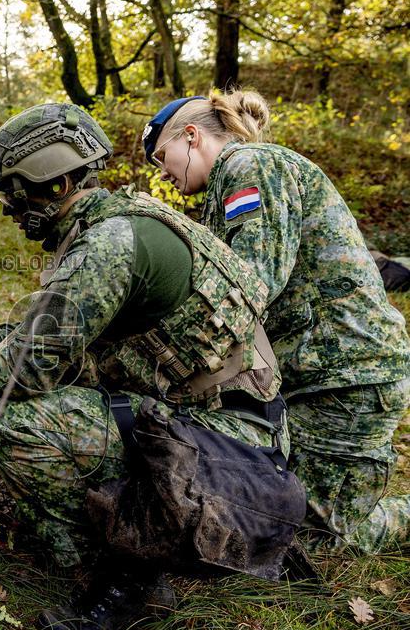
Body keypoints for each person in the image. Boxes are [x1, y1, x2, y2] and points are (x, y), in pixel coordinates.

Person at [0, 103, 300, 630]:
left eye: (15, 192)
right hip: (214, 425)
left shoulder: (107, 246)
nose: (10, 210)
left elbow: (24, 371)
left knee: (10, 421)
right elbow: (51, 334)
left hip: (227, 450)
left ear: (57, 181)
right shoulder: (118, 225)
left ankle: (123, 568)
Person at [142, 91, 410, 553]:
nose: (161, 172)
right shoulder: (229, 186)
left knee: (309, 539)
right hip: (309, 379)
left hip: (349, 379)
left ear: (191, 136)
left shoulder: (250, 167)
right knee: (267, 509)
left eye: (162, 156)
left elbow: (249, 287)